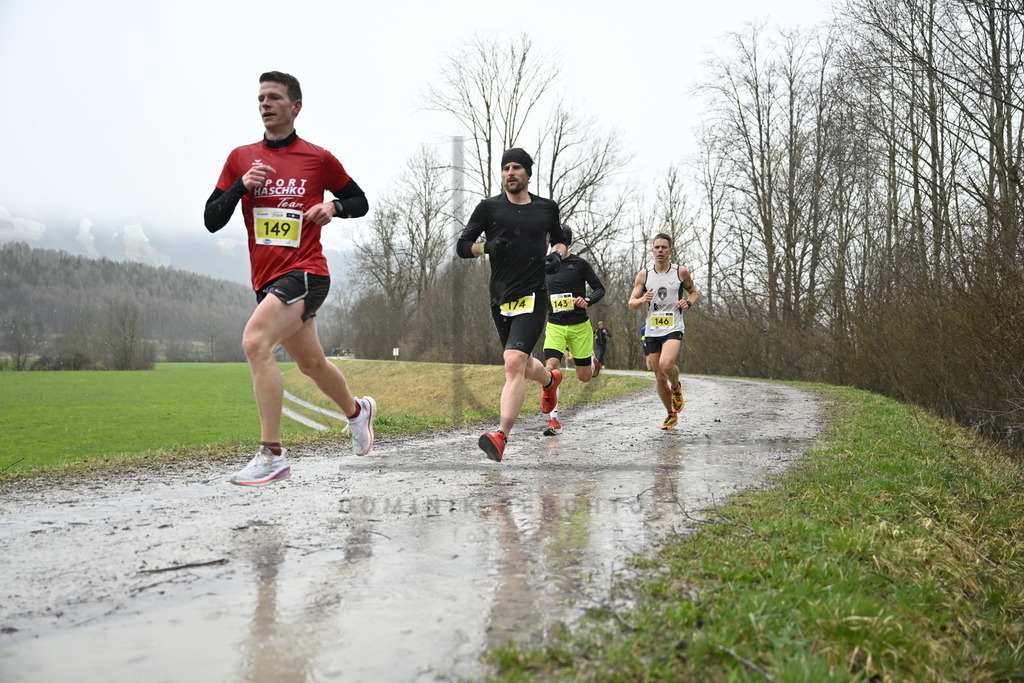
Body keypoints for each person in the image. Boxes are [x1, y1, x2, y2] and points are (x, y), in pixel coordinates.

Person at [204, 71, 376, 486]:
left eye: (274, 97)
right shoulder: (240, 158)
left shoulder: (317, 158)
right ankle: (358, 412)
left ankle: (273, 454)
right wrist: (240, 187)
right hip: (267, 279)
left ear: (295, 106)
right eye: (261, 98)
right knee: (311, 363)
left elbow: (360, 200)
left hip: (307, 272)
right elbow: (211, 219)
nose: (265, 104)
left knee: (254, 342)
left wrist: (333, 208)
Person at [456, 148, 568, 461]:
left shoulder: (546, 208)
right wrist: (486, 247)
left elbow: (561, 239)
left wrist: (557, 255)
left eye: (517, 167)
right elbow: (462, 247)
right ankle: (550, 380)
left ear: (528, 173)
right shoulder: (488, 208)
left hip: (534, 295)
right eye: (506, 168)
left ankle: (501, 436)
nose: (510, 173)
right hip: (501, 299)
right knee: (522, 363)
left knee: (514, 361)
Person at [627, 233, 700, 430]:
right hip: (652, 329)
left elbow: (694, 293)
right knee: (659, 376)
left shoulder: (680, 272)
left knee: (666, 364)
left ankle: (676, 388)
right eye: (657, 247)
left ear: (670, 251)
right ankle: (670, 414)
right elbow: (631, 303)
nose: (660, 250)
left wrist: (688, 303)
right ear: (652, 250)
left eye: (664, 247)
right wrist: (642, 300)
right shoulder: (644, 275)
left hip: (673, 326)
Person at [539, 225, 606, 436]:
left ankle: (592, 363)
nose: (554, 246)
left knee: (584, 377)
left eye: (558, 242)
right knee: (551, 368)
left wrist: (587, 300)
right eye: (552, 242)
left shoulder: (579, 264)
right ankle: (553, 420)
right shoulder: (544, 265)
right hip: (555, 325)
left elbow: (599, 289)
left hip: (579, 325)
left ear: (567, 243)